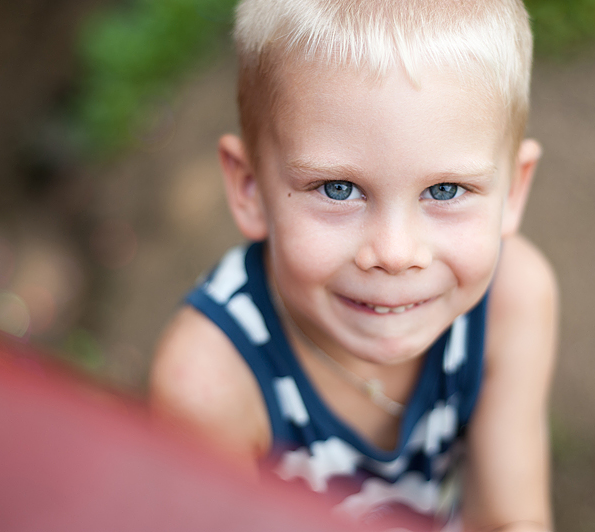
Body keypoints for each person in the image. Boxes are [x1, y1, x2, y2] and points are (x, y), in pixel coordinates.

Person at [150, 0, 558, 530]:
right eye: (338, 189)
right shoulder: (209, 383)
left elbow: (509, 519)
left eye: (445, 190)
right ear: (250, 187)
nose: (394, 253)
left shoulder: (513, 301)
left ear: (513, 191)